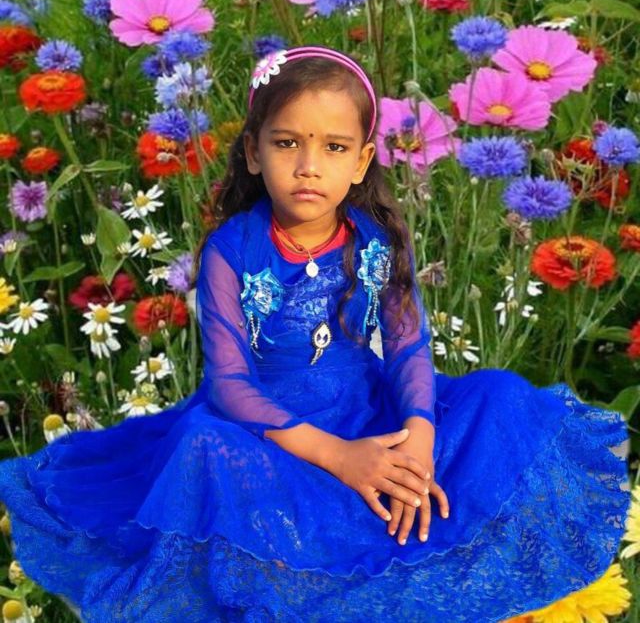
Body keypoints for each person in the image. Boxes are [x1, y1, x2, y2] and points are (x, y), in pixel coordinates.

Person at [0, 45, 632, 623]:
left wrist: (418, 434)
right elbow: (229, 385)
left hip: (364, 405)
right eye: (286, 144)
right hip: (269, 425)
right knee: (201, 447)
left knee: (499, 394)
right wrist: (339, 457)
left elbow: (407, 347)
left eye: (333, 147)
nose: (308, 167)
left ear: (361, 161)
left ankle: (414, 504)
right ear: (254, 153)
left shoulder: (376, 238)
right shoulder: (232, 250)